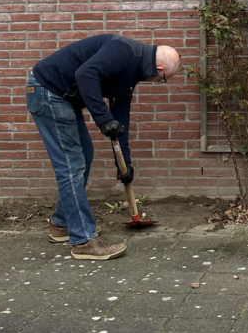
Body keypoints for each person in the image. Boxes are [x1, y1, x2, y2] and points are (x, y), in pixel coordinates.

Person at [26, 34, 180, 260]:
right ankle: (83, 241)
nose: (159, 82)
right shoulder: (124, 51)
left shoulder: (132, 75)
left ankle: (62, 224)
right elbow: (85, 74)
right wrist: (103, 119)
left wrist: (124, 165)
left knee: (84, 155)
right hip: (48, 91)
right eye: (163, 79)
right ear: (159, 68)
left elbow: (120, 119)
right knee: (71, 165)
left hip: (63, 99)